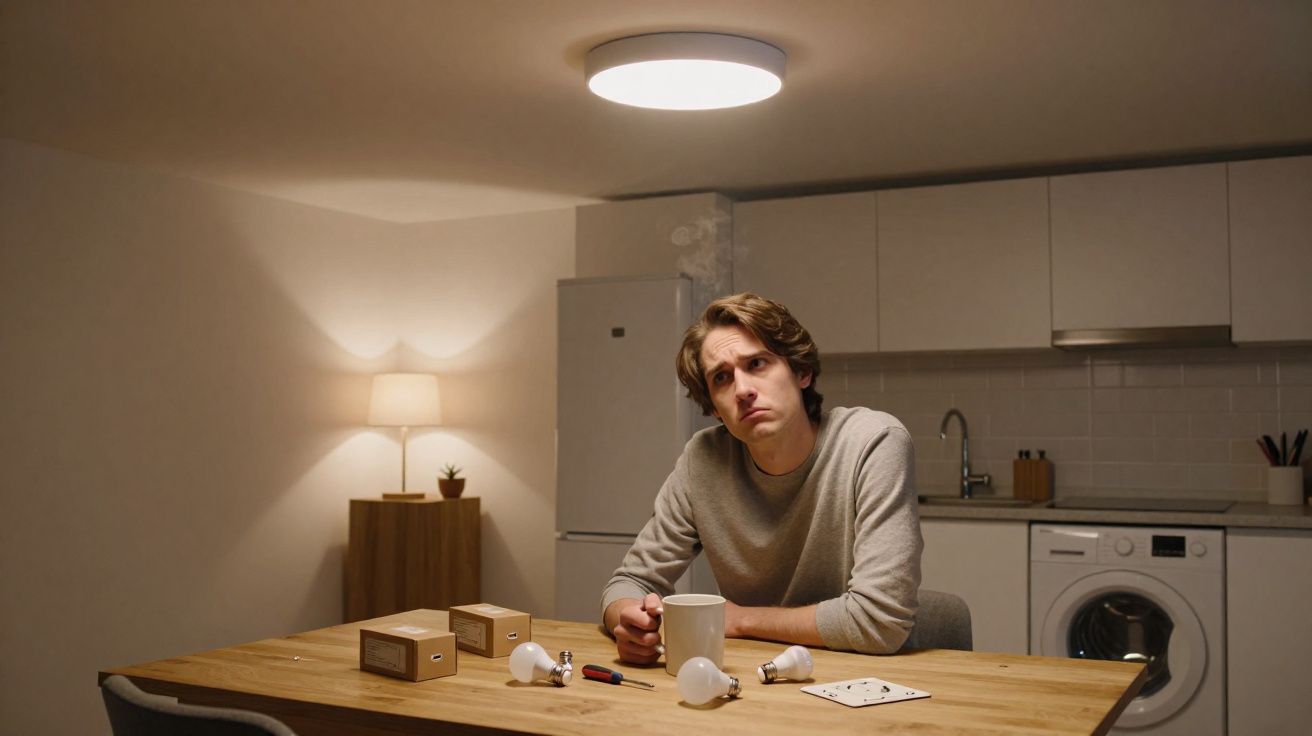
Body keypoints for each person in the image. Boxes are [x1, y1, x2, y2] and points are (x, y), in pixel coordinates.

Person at [601, 292, 923, 661]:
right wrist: (628, 622)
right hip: (750, 674)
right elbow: (629, 582)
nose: (742, 390)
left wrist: (741, 620)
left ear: (801, 372)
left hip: (858, 674)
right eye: (722, 377)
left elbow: (880, 622)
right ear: (715, 408)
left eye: (757, 364)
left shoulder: (872, 442)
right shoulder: (702, 460)